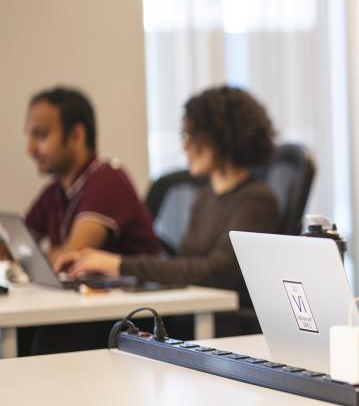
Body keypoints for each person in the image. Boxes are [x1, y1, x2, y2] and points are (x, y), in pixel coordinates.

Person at [55, 86, 280, 315]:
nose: (185, 146)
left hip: (224, 322)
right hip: (194, 311)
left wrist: (118, 264)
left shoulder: (257, 201)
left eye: (193, 136)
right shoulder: (206, 197)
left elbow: (216, 272)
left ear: (224, 137)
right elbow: (186, 265)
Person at [24, 87, 160, 262]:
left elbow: (71, 256)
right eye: (29, 136)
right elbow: (14, 247)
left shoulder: (108, 180)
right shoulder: (55, 191)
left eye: (41, 135)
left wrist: (30, 260)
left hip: (135, 287)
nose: (30, 149)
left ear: (76, 135)